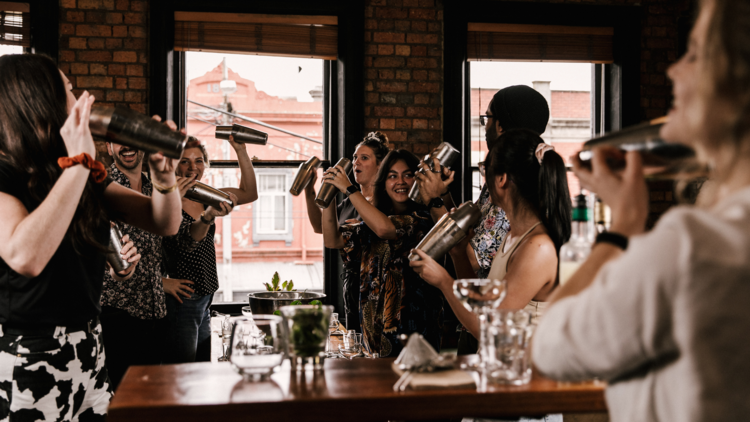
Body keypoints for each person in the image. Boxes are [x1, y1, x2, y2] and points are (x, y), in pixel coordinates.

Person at [532, 1, 750, 420]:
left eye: (695, 54)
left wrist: (623, 227)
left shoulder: (690, 246)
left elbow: (548, 348)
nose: (673, 70)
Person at [0, 54, 182, 420]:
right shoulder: (6, 174)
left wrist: (164, 178)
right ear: (40, 101)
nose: (82, 96)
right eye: (68, 89)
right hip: (27, 353)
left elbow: (163, 221)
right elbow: (25, 256)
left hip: (89, 346)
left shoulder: (82, 173)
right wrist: (80, 160)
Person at [410, 129, 571, 354]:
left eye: (486, 170)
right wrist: (457, 253)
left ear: (502, 179)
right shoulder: (514, 236)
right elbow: (482, 305)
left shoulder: (538, 247)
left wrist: (443, 282)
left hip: (529, 378)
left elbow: (490, 330)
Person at [322, 149, 444, 357]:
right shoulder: (373, 218)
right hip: (374, 334)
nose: (401, 182)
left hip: (415, 330)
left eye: (408, 174)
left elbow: (386, 229)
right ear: (383, 182)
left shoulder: (422, 218)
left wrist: (350, 189)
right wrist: (328, 195)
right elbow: (333, 240)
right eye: (392, 176)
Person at [99, 139, 190, 389]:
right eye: (118, 141)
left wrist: (205, 217)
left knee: (149, 396)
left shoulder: (156, 187)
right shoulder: (101, 187)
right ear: (108, 147)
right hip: (117, 313)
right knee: (119, 396)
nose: (126, 146)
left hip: (155, 312)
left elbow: (176, 240)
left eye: (132, 139)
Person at [161, 138, 257, 363]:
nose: (193, 167)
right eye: (185, 161)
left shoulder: (205, 195)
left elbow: (249, 192)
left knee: (201, 368)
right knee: (183, 373)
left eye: (199, 161)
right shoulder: (167, 197)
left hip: (205, 298)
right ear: (174, 164)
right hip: (182, 301)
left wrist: (241, 150)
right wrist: (160, 281)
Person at [304, 132, 390, 332]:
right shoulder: (350, 201)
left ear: (380, 165)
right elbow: (323, 229)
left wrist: (348, 189)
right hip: (352, 286)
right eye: (354, 158)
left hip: (378, 289)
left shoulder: (384, 202)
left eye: (364, 158)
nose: (356, 162)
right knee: (356, 344)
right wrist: (311, 191)